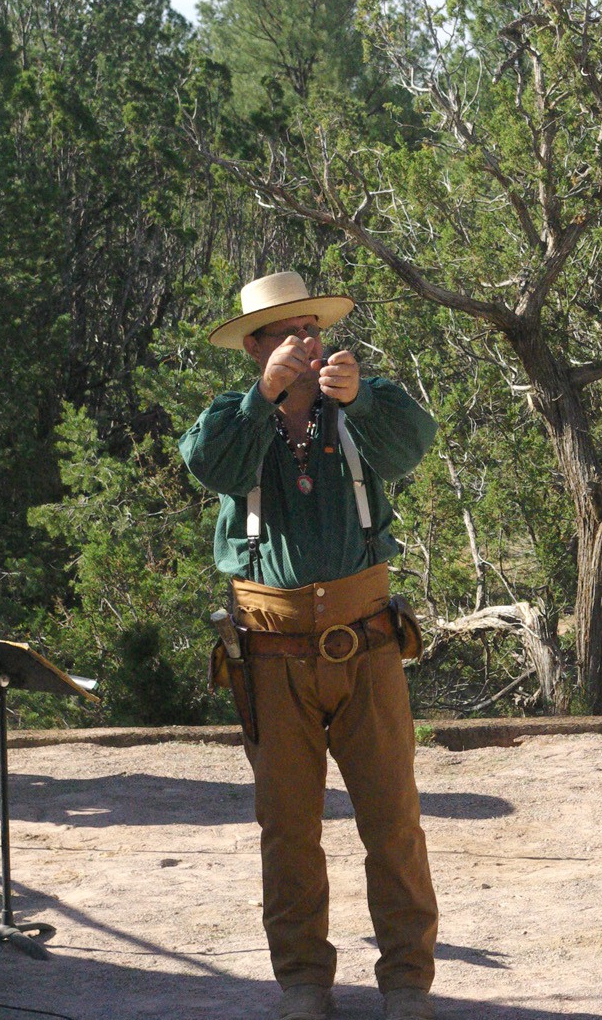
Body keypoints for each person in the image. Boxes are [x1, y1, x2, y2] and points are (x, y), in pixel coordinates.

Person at [180, 272, 440, 1020]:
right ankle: (302, 981)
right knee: (288, 828)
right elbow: (208, 464)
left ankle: (407, 982)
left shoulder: (361, 407)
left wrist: (362, 399)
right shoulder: (232, 419)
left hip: (367, 643)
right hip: (269, 653)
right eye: (285, 334)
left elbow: (413, 444)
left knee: (393, 819)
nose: (304, 344)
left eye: (311, 330)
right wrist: (262, 397)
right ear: (254, 348)